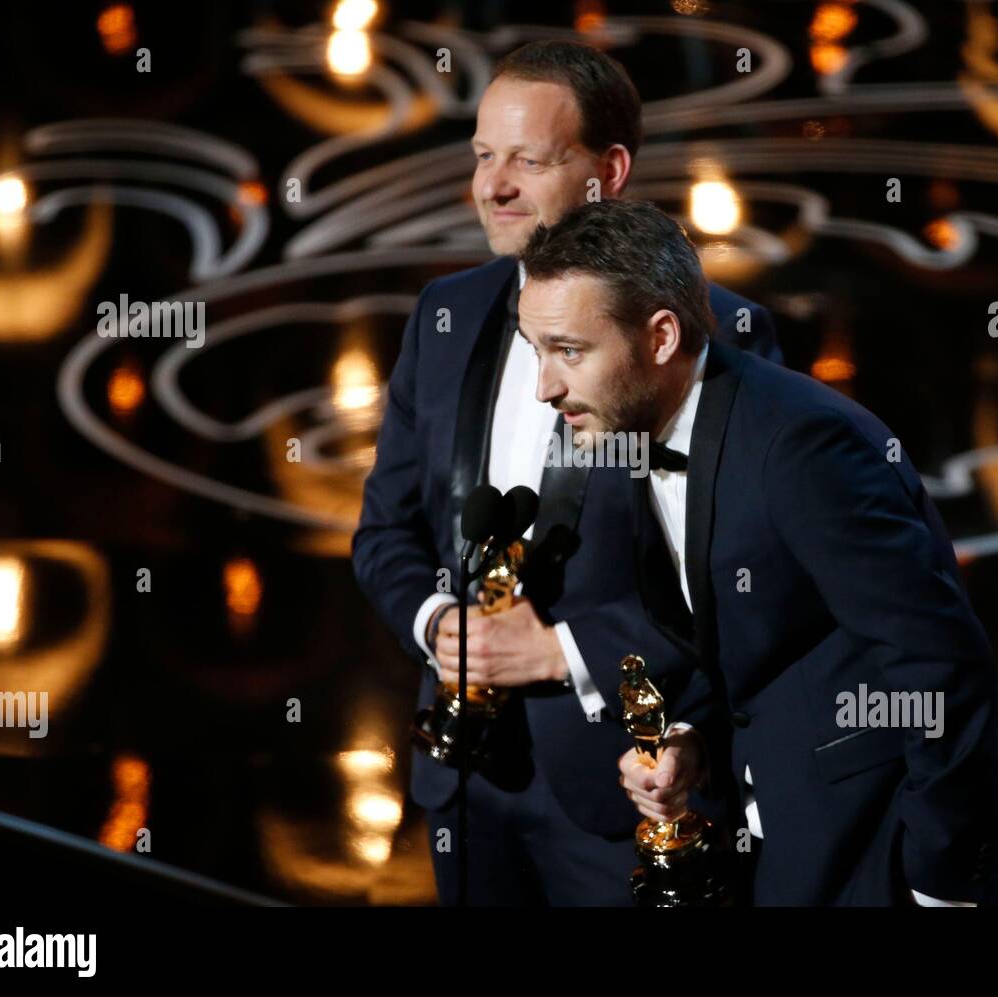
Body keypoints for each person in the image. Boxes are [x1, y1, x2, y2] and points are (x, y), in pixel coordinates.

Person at [352, 42, 780, 905]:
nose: (491, 186)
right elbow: (385, 530)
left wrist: (561, 652)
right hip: (463, 783)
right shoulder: (444, 317)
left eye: (528, 160)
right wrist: (439, 626)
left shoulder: (715, 338)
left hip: (627, 783)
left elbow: (742, 579)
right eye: (482, 155)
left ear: (607, 171)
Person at [515, 198, 998, 906]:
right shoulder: (629, 429)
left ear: (661, 335)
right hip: (777, 844)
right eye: (534, 351)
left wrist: (938, 880)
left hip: (878, 850)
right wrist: (691, 739)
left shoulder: (802, 445)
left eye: (568, 351)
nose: (545, 386)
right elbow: (747, 635)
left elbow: (939, 662)